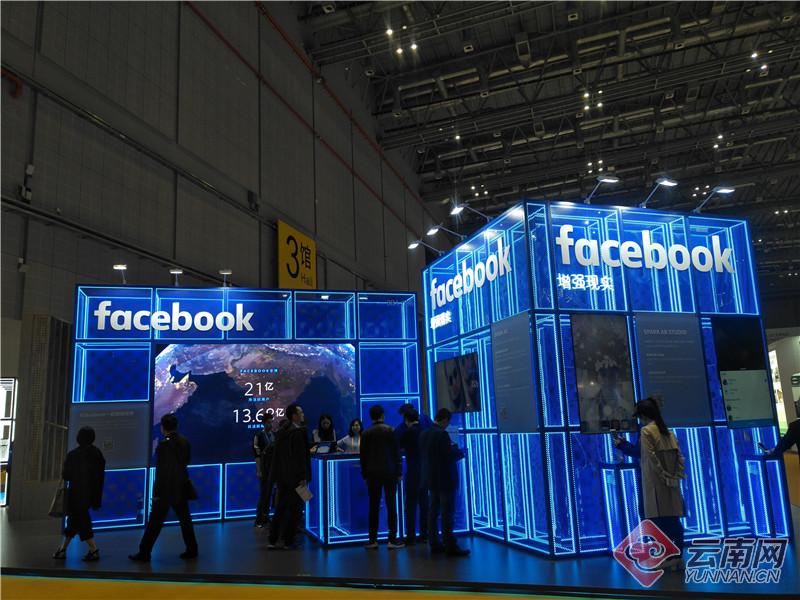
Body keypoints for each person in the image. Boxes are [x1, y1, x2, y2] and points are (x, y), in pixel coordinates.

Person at [615, 398, 686, 570]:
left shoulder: (646, 431)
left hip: (654, 484)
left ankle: (666, 558)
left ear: (643, 415)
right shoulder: (666, 430)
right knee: (672, 520)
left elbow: (647, 457)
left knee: (654, 520)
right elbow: (678, 456)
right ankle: (677, 557)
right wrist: (675, 475)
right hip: (671, 482)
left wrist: (622, 445)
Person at [129, 413, 197, 562]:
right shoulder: (185, 441)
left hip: (165, 490)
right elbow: (186, 462)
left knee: (155, 522)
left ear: (162, 427)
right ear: (176, 426)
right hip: (181, 486)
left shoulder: (163, 445)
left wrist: (156, 493)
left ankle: (144, 552)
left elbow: (162, 472)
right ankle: (192, 549)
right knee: (185, 520)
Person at [420, 408, 469, 557]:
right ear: (445, 420)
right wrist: (460, 452)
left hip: (431, 479)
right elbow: (448, 456)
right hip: (445, 479)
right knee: (447, 513)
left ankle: (434, 543)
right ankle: (450, 545)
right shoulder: (442, 434)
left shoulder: (424, 433)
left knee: (433, 512)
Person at [52, 426, 105, 561]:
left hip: (76, 494)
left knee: (80, 521)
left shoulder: (73, 455)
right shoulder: (97, 454)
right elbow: (100, 475)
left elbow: (66, 475)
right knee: (75, 521)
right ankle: (63, 549)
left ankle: (93, 550)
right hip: (91, 494)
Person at [360, 404, 404, 549]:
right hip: (390, 472)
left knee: (373, 506)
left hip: (372, 473)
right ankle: (392, 539)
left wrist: (365, 474)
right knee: (391, 506)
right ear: (383, 415)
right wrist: (399, 472)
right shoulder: (391, 430)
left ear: (371, 416)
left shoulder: (366, 433)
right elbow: (396, 453)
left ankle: (373, 540)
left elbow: (363, 456)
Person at [268, 403, 311, 549]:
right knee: (296, 509)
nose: (303, 414)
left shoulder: (282, 432)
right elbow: (300, 457)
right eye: (301, 412)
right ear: (294, 416)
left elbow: (277, 456)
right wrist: (303, 477)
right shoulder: (298, 433)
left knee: (280, 508)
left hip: (283, 477)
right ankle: (289, 540)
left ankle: (273, 539)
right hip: (296, 478)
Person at [398, 408, 429, 545]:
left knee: (411, 505)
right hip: (425, 471)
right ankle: (424, 535)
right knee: (424, 504)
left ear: (406, 420)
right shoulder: (425, 431)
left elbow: (398, 446)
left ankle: (410, 537)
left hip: (412, 471)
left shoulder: (407, 432)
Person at [253, 411, 277, 528]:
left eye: (271, 422)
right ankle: (259, 519)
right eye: (268, 422)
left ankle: (266, 517)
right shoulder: (259, 436)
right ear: (263, 423)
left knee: (271, 493)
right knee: (264, 494)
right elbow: (257, 455)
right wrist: (259, 470)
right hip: (264, 468)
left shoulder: (274, 435)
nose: (270, 425)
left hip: (274, 468)